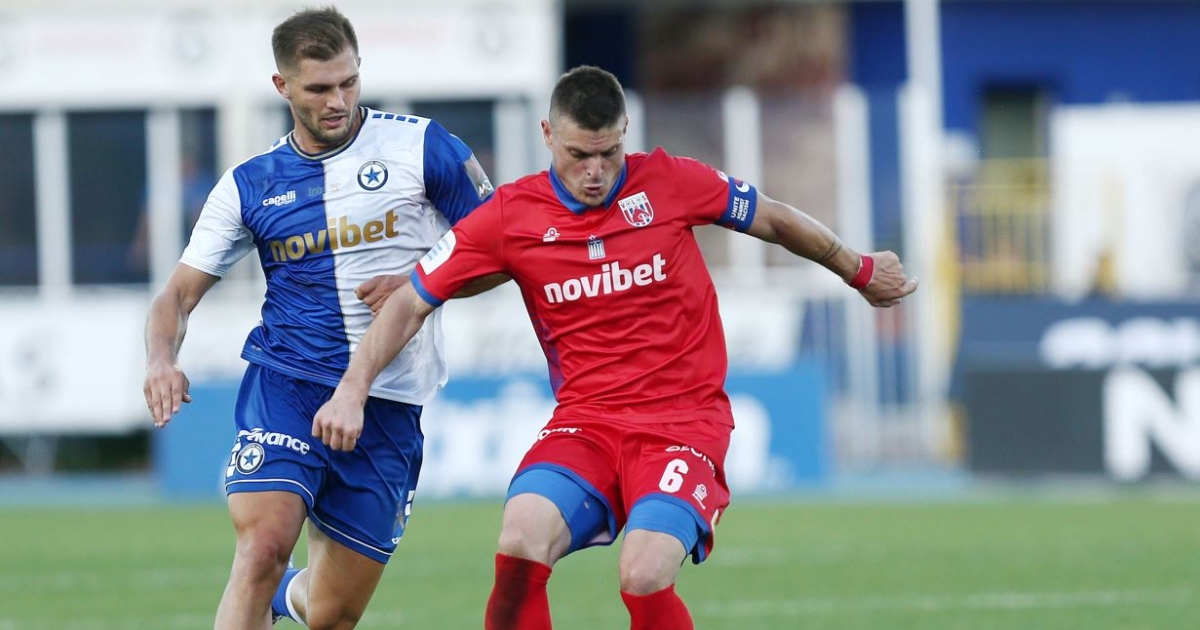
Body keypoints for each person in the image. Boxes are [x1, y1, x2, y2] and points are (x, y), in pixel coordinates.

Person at [312, 65, 918, 630]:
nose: (595, 172)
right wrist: (351, 390)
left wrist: (858, 268)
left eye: (609, 153)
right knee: (521, 535)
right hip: (587, 424)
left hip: (684, 424)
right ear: (548, 135)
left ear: (625, 132)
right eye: (579, 155)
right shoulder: (511, 216)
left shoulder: (673, 182)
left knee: (644, 571)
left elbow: (775, 219)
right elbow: (411, 302)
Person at [142, 7, 496, 629]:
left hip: (388, 402)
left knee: (330, 613)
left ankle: (287, 599)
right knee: (262, 549)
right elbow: (176, 295)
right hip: (290, 385)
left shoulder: (423, 148)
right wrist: (161, 359)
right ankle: (266, 585)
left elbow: (500, 254)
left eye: (349, 82)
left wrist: (423, 284)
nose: (338, 101)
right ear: (282, 86)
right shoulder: (250, 185)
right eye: (319, 88)